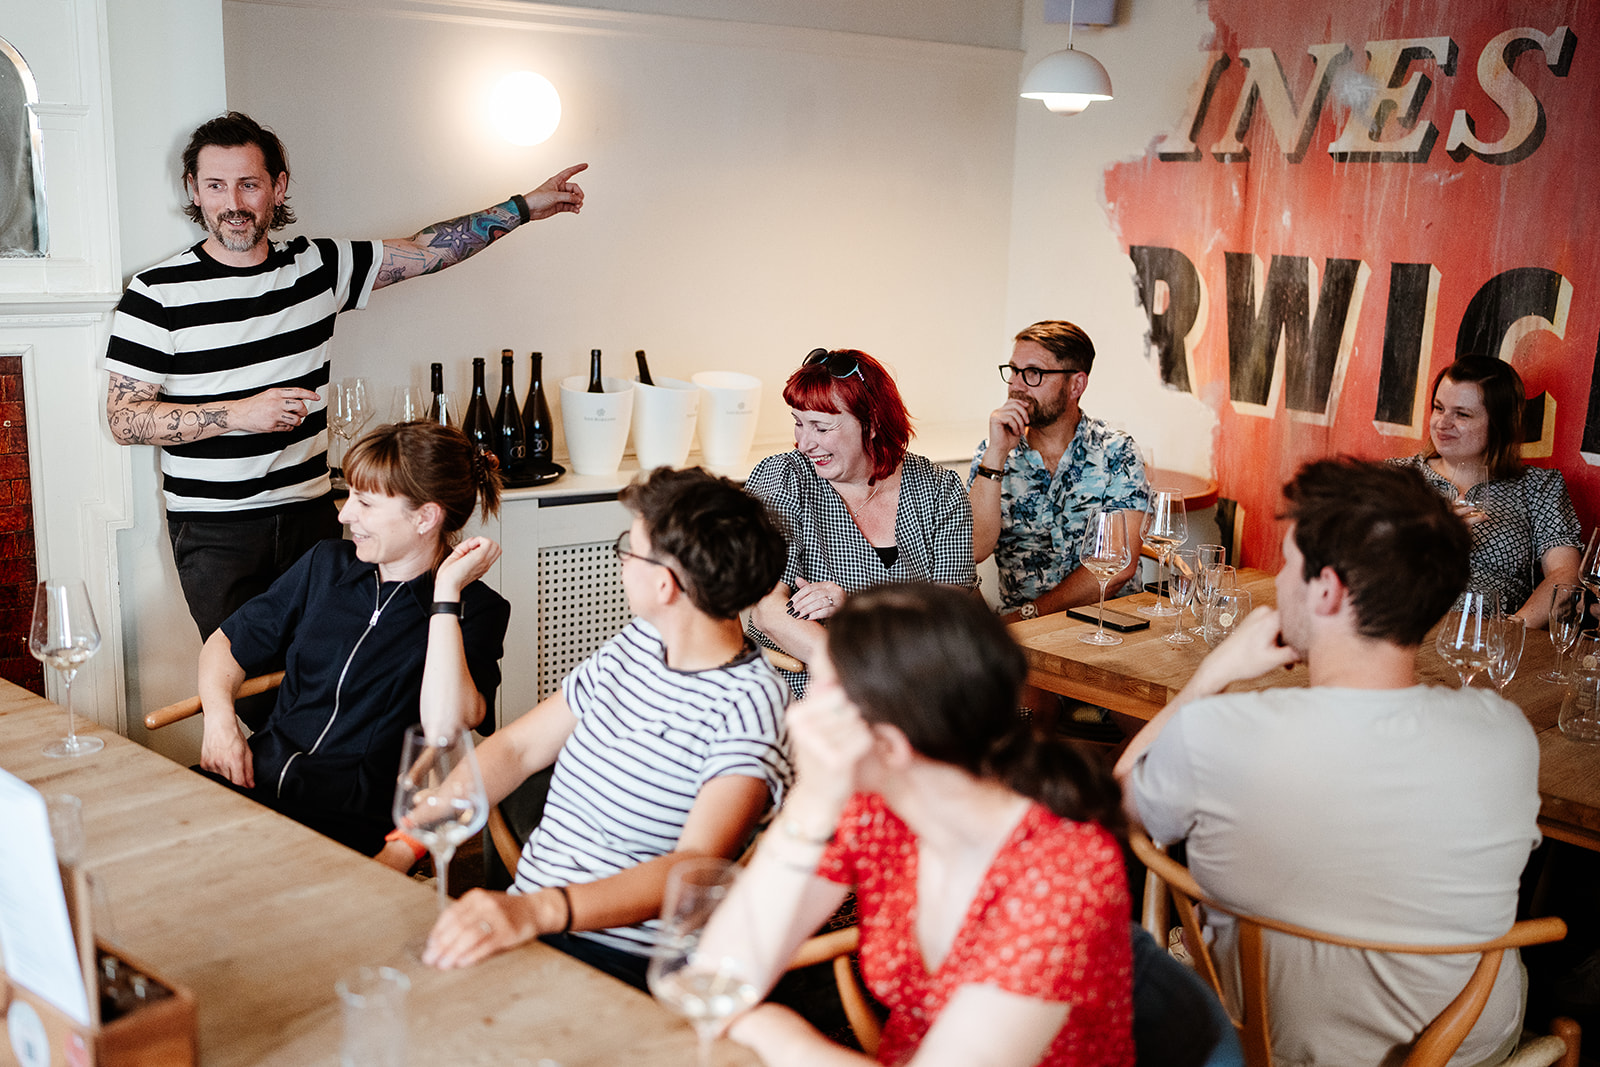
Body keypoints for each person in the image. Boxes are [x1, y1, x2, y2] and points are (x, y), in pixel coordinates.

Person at [1115, 458, 1541, 1067]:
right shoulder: (1508, 735)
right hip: (1464, 1051)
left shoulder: (1218, 734)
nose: (1278, 580)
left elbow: (1119, 800)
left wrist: (1210, 677)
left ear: (1327, 590)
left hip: (1272, 1046)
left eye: (1288, 563)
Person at [103, 111, 585, 640]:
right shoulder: (156, 292)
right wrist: (240, 414)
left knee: (331, 666)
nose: (233, 203)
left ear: (278, 187)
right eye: (215, 185)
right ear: (194, 190)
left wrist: (523, 208)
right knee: (243, 675)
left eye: (249, 184)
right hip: (216, 530)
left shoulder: (318, 267)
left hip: (315, 516)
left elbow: (427, 251)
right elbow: (124, 420)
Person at [708, 583, 1134, 1066]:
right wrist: (810, 802)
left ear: (891, 746)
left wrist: (777, 1033)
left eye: (826, 703)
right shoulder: (874, 809)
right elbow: (715, 977)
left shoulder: (1063, 869)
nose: (802, 718)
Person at [409, 467, 792, 989]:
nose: (622, 561)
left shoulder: (750, 704)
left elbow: (694, 866)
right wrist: (410, 841)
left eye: (629, 548)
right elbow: (518, 748)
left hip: (619, 958)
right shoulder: (640, 643)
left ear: (665, 583)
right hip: (532, 920)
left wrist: (539, 911)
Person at [196, 421, 510, 856]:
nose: (344, 515)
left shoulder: (477, 610)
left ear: (425, 517)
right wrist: (219, 722)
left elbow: (445, 726)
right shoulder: (326, 564)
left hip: (343, 819)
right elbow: (226, 643)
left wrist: (446, 596)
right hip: (254, 777)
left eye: (365, 502)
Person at [746, 348, 975, 697]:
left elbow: (948, 619)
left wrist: (854, 607)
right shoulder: (784, 479)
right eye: (798, 422)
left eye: (821, 427)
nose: (804, 443)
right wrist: (870, 679)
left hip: (917, 681)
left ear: (872, 424)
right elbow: (769, 613)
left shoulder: (939, 489)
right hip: (811, 682)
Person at [969, 320, 1149, 621]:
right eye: (1013, 370)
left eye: (1033, 373)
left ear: (1076, 385)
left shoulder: (1117, 452)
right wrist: (996, 454)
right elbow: (972, 549)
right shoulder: (993, 453)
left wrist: (1030, 614)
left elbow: (1119, 565)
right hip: (1026, 638)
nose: (1016, 385)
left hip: (1108, 625)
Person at [1391, 356, 1581, 627]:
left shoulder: (1538, 486)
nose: (1442, 423)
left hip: (1499, 636)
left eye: (1462, 414)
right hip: (1406, 629)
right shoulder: (1395, 478)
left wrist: (1508, 633)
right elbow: (1353, 566)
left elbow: (1565, 575)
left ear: (1500, 423)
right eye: (1439, 408)